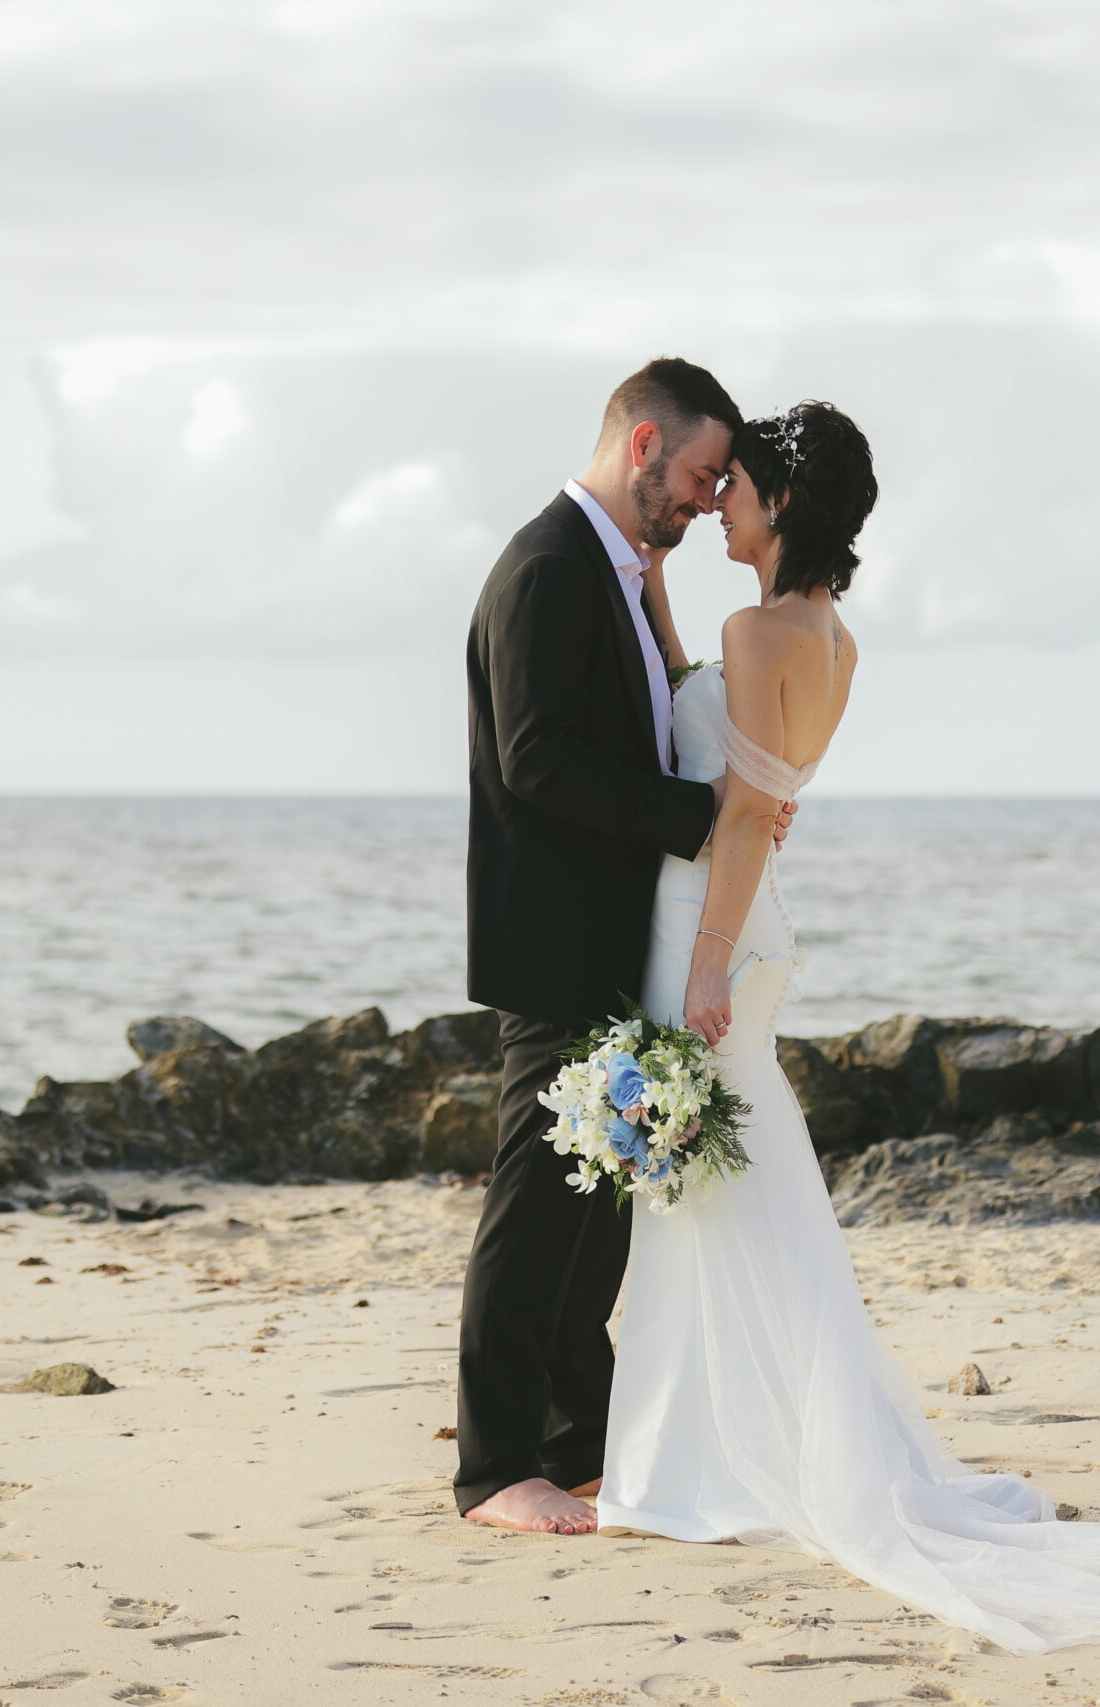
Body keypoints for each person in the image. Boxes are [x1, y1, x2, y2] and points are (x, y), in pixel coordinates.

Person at [593, 399, 1100, 1652]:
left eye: (737, 484)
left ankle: (704, 1456)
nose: (720, 504)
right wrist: (650, 600)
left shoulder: (757, 629)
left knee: (711, 1192)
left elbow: (743, 816)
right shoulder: (829, 641)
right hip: (753, 931)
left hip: (712, 929)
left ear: (782, 504)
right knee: (738, 1190)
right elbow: (753, 767)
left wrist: (700, 970)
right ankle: (724, 1445)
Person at [453, 357, 793, 1535]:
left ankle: (575, 1444)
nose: (706, 503)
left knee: (595, 1209)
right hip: (550, 937)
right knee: (536, 1212)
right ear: (643, 446)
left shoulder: (619, 576)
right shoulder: (547, 567)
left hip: (610, 934)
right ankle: (494, 1471)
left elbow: (644, 730)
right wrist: (704, 818)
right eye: (700, 475)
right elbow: (537, 757)